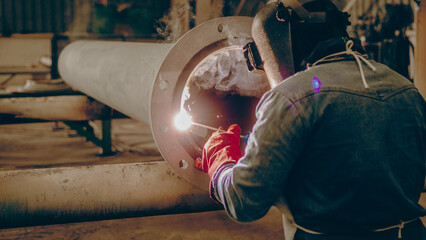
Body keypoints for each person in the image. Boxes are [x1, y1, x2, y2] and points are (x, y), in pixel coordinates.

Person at [195, 0, 426, 239]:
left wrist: (220, 162)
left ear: (275, 45)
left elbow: (244, 201)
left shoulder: (291, 97)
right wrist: (255, 142)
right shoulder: (407, 90)